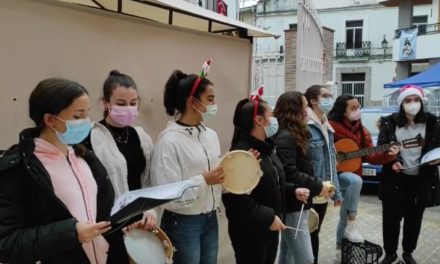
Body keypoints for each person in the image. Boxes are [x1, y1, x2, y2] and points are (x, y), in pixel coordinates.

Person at [0, 78, 114, 263]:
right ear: (50, 119)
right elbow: (6, 243)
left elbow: (101, 211)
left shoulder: (85, 158)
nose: (86, 122)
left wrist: (127, 220)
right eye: (77, 117)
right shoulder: (19, 169)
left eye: (87, 115)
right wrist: (72, 233)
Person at [150, 68, 224, 264]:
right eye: (210, 99)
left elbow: (218, 175)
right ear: (193, 102)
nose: (214, 104)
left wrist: (240, 164)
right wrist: (203, 180)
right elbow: (166, 193)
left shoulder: (210, 135)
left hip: (210, 217)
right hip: (183, 221)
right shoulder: (169, 141)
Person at [82, 70, 156, 263]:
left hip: (138, 223)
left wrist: (150, 210)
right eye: (121, 104)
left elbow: (148, 181)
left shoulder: (141, 136)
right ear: (105, 103)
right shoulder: (90, 137)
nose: (129, 109)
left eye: (133, 103)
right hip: (107, 226)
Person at [223, 90, 296, 264]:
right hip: (251, 232)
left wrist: (294, 191)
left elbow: (274, 183)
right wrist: (268, 217)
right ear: (259, 120)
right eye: (271, 114)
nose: (275, 119)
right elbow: (236, 201)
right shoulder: (242, 154)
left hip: (269, 228)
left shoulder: (267, 149)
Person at [328, 95, 399, 263]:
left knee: (343, 216)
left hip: (352, 171)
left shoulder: (361, 130)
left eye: (358, 107)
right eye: (353, 108)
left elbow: (372, 156)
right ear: (342, 111)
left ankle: (339, 249)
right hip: (334, 175)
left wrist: (387, 155)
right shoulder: (330, 127)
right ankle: (353, 222)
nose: (357, 111)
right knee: (355, 181)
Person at [377, 85, 440, 264]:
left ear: (421, 101)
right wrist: (392, 160)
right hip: (395, 178)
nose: (412, 104)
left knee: (414, 220)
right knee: (390, 218)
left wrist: (437, 159)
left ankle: (408, 252)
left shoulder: (433, 122)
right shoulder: (389, 122)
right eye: (407, 100)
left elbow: (438, 146)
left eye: (416, 100)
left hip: (421, 179)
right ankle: (390, 253)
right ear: (401, 103)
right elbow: (382, 146)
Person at [273, 91, 328, 264]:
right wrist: (317, 185)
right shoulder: (286, 137)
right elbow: (290, 173)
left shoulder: (294, 134)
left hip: (298, 202)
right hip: (292, 204)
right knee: (305, 258)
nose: (307, 111)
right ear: (294, 110)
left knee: (287, 254)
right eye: (304, 107)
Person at [304, 85, 343, 264]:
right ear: (313, 100)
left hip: (324, 191)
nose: (330, 99)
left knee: (315, 232)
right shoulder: (306, 126)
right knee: (308, 235)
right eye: (325, 96)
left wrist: (337, 192)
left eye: (330, 96)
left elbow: (331, 162)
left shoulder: (326, 125)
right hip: (310, 190)